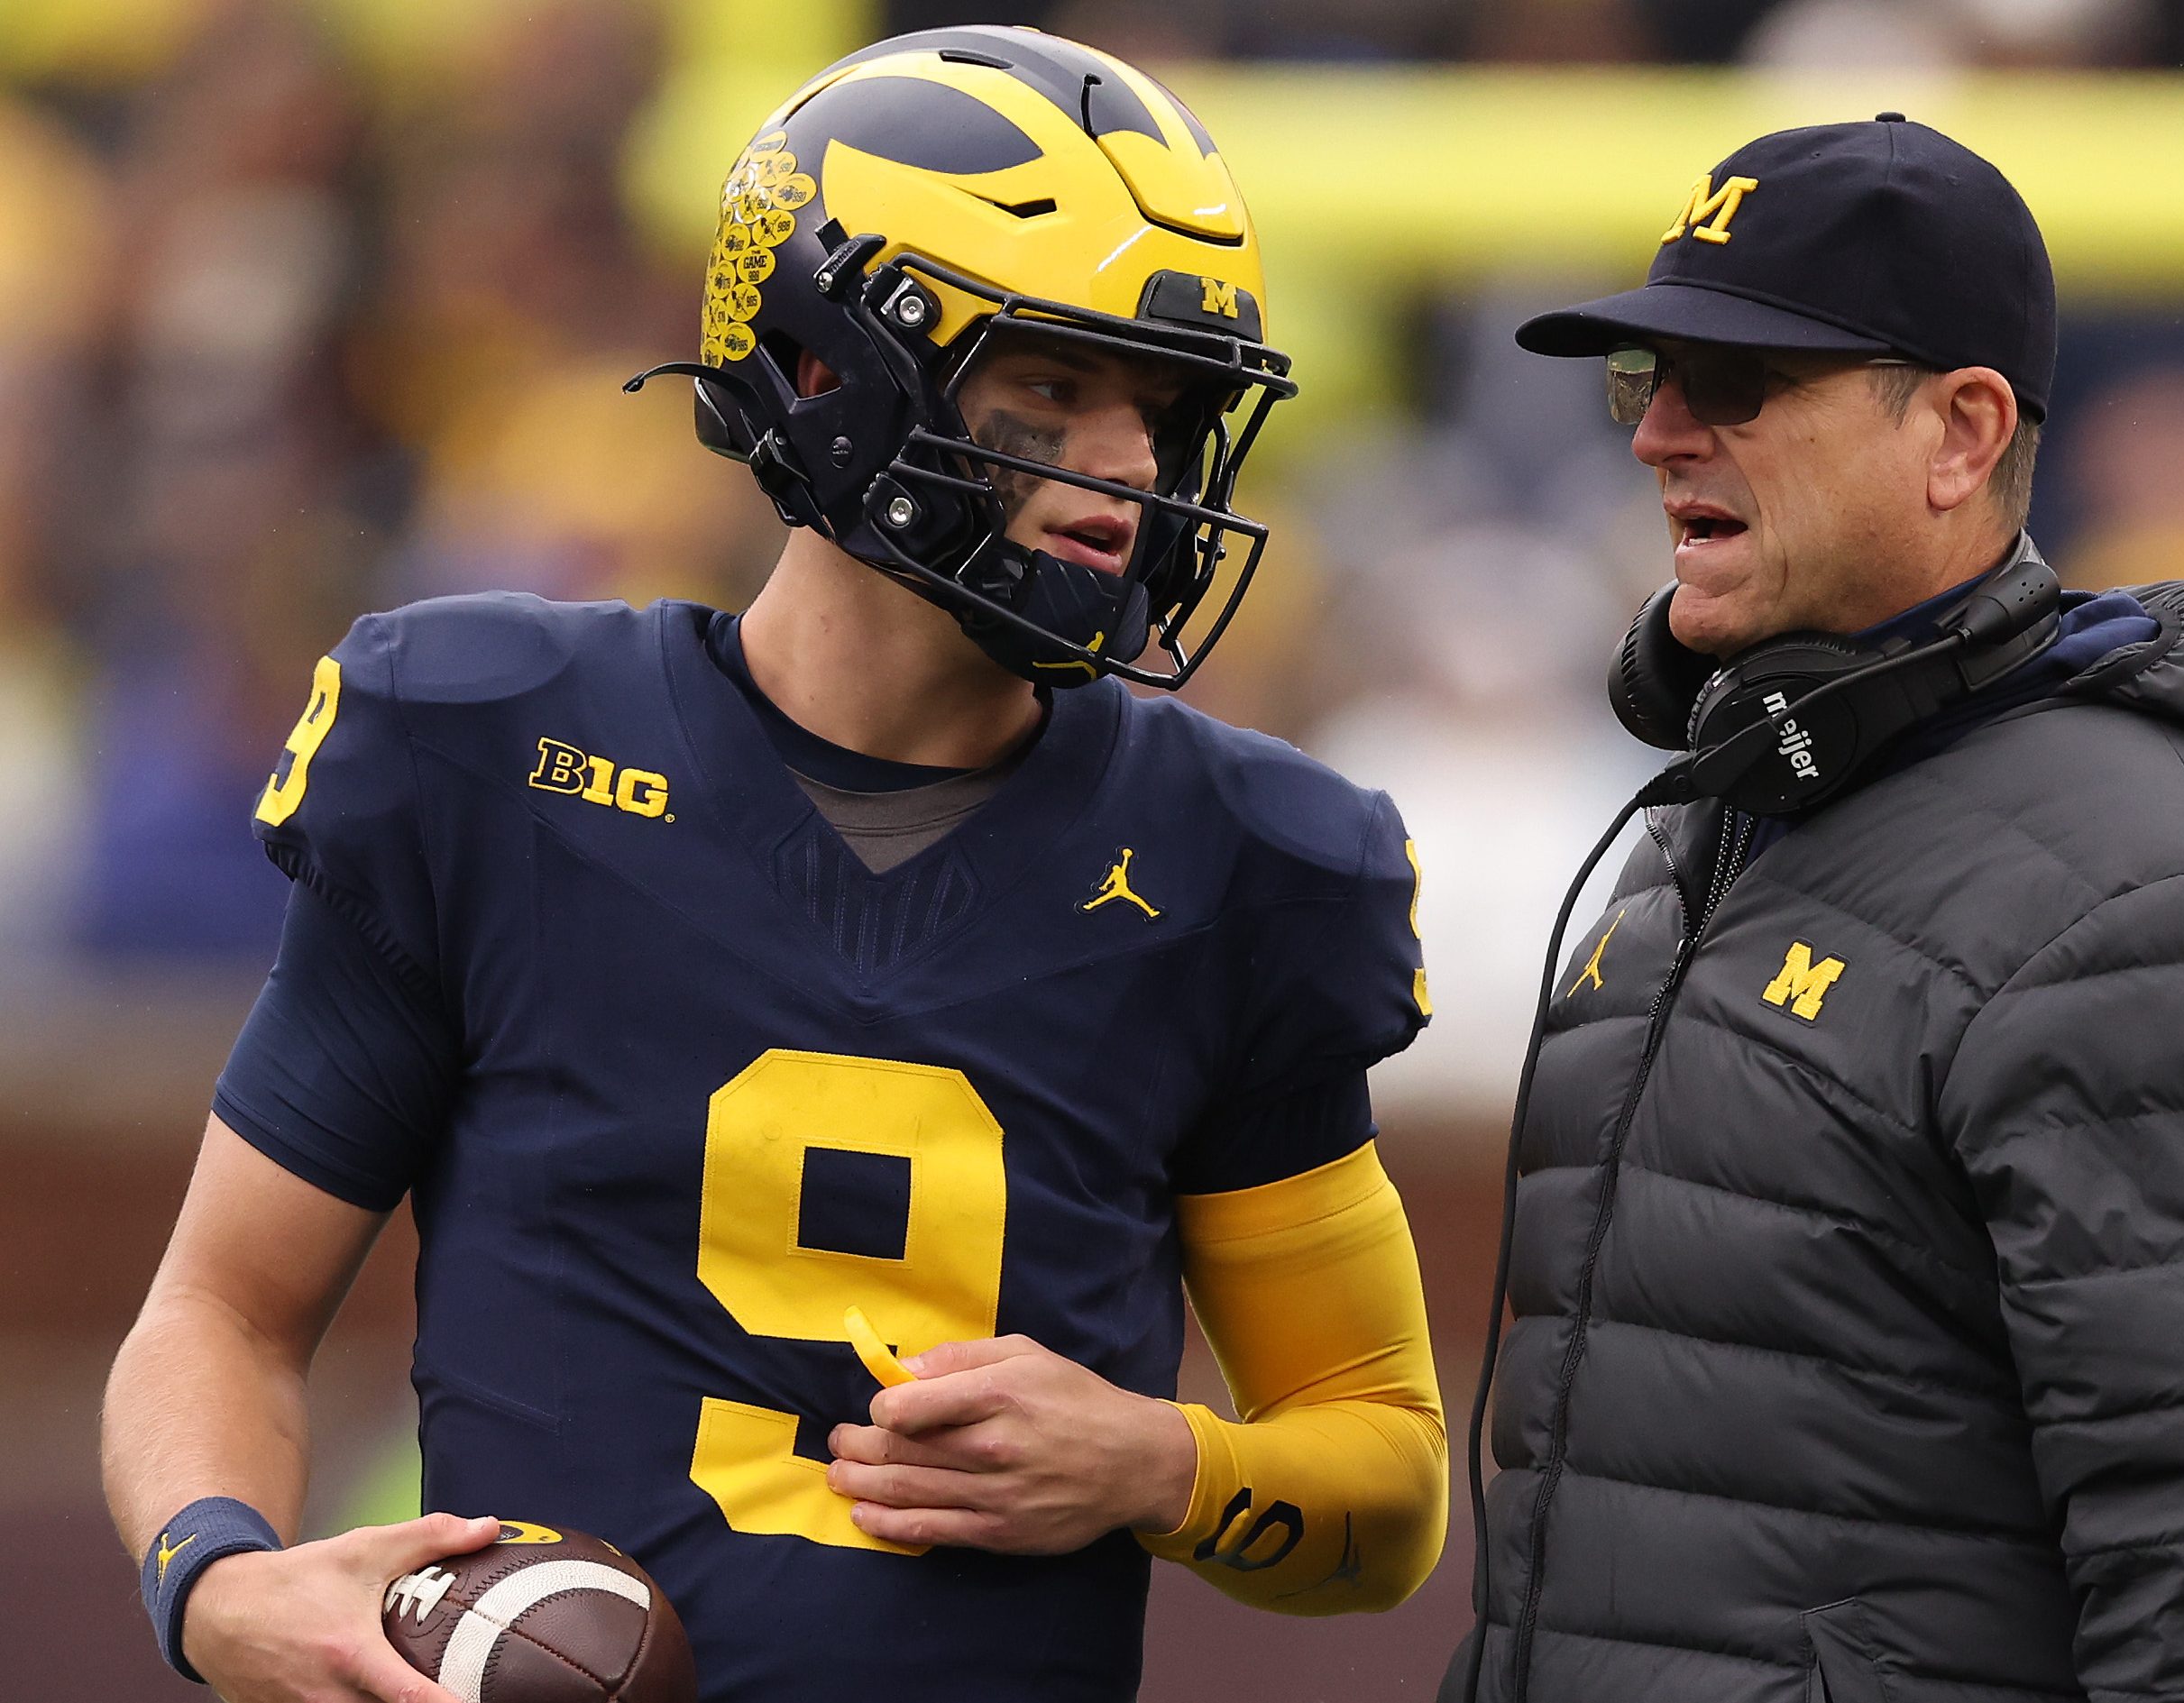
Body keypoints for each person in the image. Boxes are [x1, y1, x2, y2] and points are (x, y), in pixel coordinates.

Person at [101, 29, 1447, 1703]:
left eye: (1164, 412)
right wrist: (217, 1575)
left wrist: (1158, 1466)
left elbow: (1385, 1477)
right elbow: (224, 1308)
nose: (1130, 473)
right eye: (1055, 387)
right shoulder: (483, 749)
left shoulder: (1246, 860)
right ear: (827, 371)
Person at [1449, 115, 2184, 1703]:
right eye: (1647, 381)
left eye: (1739, 385)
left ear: (1962, 433)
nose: (1655, 438)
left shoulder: (2163, 900)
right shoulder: (1735, 801)